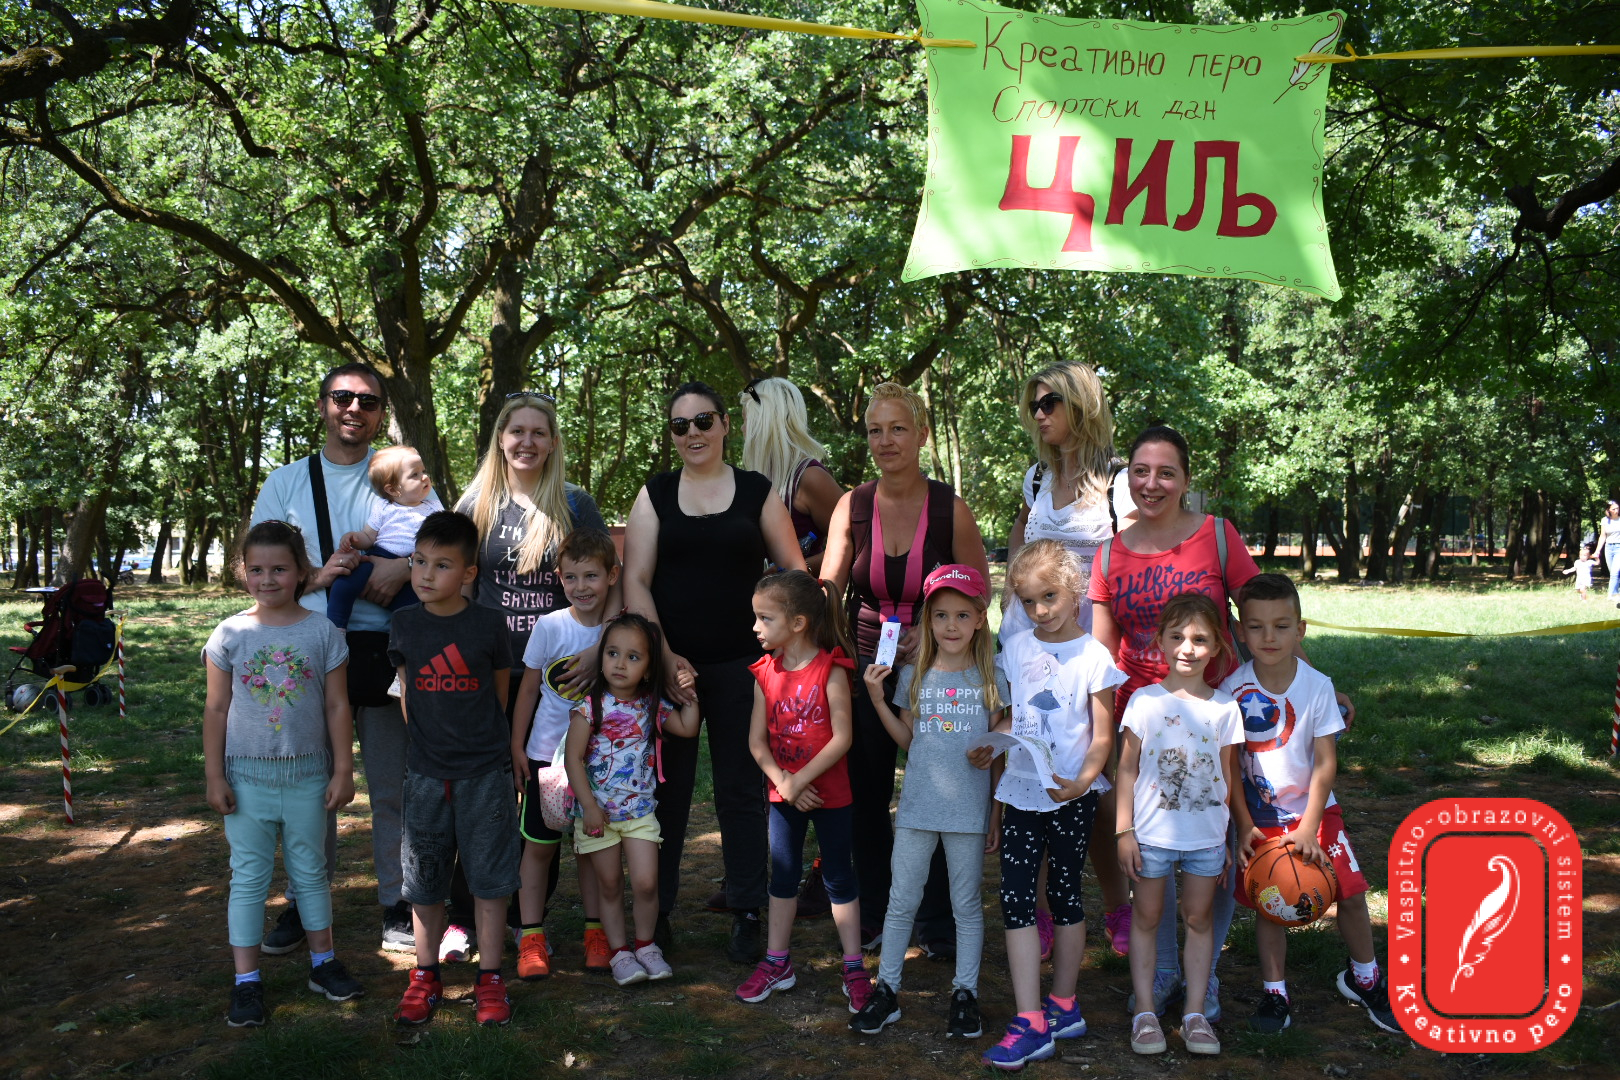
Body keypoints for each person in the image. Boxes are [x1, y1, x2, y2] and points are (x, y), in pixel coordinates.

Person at [622, 381, 805, 961]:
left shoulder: (756, 492)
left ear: (726, 425)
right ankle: (657, 912)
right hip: (669, 667)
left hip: (744, 667)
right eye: (680, 426)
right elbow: (635, 580)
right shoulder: (655, 494)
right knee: (665, 791)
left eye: (704, 421)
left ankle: (747, 909)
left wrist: (781, 638)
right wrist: (664, 656)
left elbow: (794, 571)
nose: (693, 433)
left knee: (741, 790)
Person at [1086, 424, 1261, 1019]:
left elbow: (1262, 617)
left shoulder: (1217, 536)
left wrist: (1308, 684)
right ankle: (1162, 972)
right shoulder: (1109, 554)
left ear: (1186, 479)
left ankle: (1204, 978)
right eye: (1140, 471)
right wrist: (1097, 732)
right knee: (1151, 850)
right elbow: (1101, 656)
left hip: (1216, 714)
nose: (1152, 483)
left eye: (1166, 472)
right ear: (1127, 478)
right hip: (1144, 721)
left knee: (1216, 839)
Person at [250, 362, 415, 955]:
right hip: (308, 654)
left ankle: (399, 901)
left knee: (393, 787)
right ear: (323, 404)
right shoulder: (286, 482)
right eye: (342, 397)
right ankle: (303, 901)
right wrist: (317, 577)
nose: (354, 409)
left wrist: (404, 567)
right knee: (308, 789)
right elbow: (253, 568)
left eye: (368, 401)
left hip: (390, 653)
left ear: (381, 413)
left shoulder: (402, 474)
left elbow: (445, 545)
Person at [821, 381, 989, 955]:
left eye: (898, 428)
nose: (886, 440)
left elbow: (980, 591)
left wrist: (935, 631)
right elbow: (829, 585)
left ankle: (939, 922)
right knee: (866, 793)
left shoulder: (948, 508)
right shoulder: (853, 505)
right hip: (866, 667)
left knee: (939, 789)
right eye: (876, 430)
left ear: (922, 435)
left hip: (938, 671)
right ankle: (875, 912)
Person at [456, 392, 610, 967]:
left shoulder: (574, 503)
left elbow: (607, 575)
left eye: (538, 432)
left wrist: (600, 650)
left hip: (563, 677)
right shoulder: (476, 502)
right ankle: (467, 915)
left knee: (555, 796)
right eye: (516, 431)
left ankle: (534, 925)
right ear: (500, 439)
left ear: (552, 442)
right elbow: (460, 582)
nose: (526, 441)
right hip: (491, 673)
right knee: (485, 796)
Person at [973, 540, 1126, 1071]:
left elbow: (1102, 737)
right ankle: (1030, 1019)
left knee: (1064, 894)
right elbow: (1013, 715)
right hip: (1021, 790)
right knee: (1016, 897)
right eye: (1029, 601)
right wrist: (991, 741)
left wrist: (1083, 782)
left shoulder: (1094, 657)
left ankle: (1063, 1004)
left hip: (1073, 797)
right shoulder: (1015, 648)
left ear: (1076, 590)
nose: (1040, 610)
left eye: (1050, 597)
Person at [203, 521, 363, 1027]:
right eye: (257, 569)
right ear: (242, 572)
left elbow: (337, 705)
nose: (267, 579)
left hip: (309, 777)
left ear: (302, 572)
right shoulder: (229, 634)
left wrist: (343, 768)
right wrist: (214, 776)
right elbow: (216, 709)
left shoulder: (322, 632)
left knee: (310, 873)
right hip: (245, 781)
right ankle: (246, 981)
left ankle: (323, 963)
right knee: (248, 878)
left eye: (279, 569)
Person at [1222, 574, 1396, 1035]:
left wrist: (1309, 827)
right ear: (1240, 632)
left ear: (1300, 630)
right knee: (1269, 903)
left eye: (1281, 626)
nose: (1269, 637)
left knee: (1351, 892)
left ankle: (1365, 978)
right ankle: (1274, 993)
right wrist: (1243, 823)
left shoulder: (1318, 686)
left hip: (1315, 813)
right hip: (1260, 819)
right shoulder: (1231, 690)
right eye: (1256, 627)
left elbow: (1325, 762)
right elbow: (1230, 767)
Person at [1005, 361, 1131, 961]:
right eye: (1034, 404)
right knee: (1030, 775)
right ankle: (1041, 912)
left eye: (1050, 401)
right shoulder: (1035, 478)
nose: (1039, 414)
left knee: (1094, 784)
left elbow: (1130, 561)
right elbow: (1020, 544)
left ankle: (1117, 904)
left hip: (1090, 648)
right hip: (1030, 643)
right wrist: (1011, 606)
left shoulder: (1118, 481)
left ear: (1082, 404)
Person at [851, 564, 1006, 1041]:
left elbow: (1000, 746)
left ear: (979, 619)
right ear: (927, 621)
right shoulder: (915, 674)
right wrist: (877, 698)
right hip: (918, 807)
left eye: (962, 615)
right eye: (941, 615)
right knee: (901, 900)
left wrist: (995, 810)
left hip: (968, 811)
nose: (951, 626)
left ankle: (966, 993)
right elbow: (908, 741)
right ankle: (887, 990)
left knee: (966, 904)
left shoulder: (991, 676)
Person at [387, 512, 519, 1028]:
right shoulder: (405, 624)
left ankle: (490, 979)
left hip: (485, 773)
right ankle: (425, 976)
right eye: (419, 561)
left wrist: (483, 747)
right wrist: (430, 747)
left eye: (442, 565)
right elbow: (408, 695)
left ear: (468, 573)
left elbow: (498, 693)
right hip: (425, 774)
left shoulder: (488, 623)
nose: (425, 574)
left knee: (489, 880)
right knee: (424, 881)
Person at [1116, 594, 1244, 1057]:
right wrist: (1124, 831)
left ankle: (1194, 1013)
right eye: (1177, 637)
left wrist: (1224, 837)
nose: (1188, 648)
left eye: (1200, 639)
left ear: (1217, 647)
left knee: (1198, 919)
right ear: (1161, 642)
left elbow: (1227, 776)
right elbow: (1126, 770)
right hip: (1150, 837)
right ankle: (1145, 1011)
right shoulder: (1144, 702)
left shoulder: (1226, 708)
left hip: (1205, 840)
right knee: (1147, 918)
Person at [735, 572, 864, 1008]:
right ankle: (777, 963)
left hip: (830, 796)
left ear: (797, 623)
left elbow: (842, 738)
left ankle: (854, 967)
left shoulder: (832, 670)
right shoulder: (764, 673)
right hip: (784, 794)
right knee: (784, 877)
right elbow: (757, 743)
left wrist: (797, 781)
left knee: (839, 877)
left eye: (765, 618)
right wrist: (785, 784)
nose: (755, 626)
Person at [565, 613, 699, 987]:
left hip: (640, 812)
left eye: (633, 657)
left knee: (645, 882)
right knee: (609, 885)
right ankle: (620, 952)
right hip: (598, 815)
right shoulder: (589, 707)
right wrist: (590, 807)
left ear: (648, 668)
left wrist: (689, 691)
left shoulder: (650, 706)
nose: (620, 664)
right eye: (612, 653)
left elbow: (688, 727)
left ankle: (646, 945)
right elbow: (572, 759)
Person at [508, 528, 619, 980]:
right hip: (545, 760)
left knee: (592, 850)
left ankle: (596, 935)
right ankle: (531, 937)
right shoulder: (549, 626)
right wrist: (517, 746)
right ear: (559, 578)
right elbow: (528, 689)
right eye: (571, 577)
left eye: (591, 576)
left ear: (612, 576)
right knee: (538, 848)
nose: (581, 586)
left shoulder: (619, 632)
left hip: (599, 764)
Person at [327, 445, 440, 630]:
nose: (424, 477)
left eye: (423, 471)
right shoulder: (384, 507)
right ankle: (335, 629)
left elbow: (442, 542)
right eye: (415, 474)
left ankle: (411, 642)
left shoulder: (434, 508)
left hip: (414, 567)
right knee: (342, 584)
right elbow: (369, 536)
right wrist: (354, 538)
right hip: (378, 558)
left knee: (416, 611)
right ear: (393, 489)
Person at [740, 376, 845, 574]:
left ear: (763, 422)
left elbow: (856, 543)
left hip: (798, 593)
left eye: (746, 420)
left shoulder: (809, 477)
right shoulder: (754, 480)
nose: (742, 429)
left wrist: (797, 570)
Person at [1602, 502, 1620, 603]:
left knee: (1614, 572)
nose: (1616, 510)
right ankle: (1617, 593)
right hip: (1608, 548)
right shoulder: (1605, 520)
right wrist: (1597, 551)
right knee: (1613, 573)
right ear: (1608, 510)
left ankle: (1611, 594)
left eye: (1617, 508)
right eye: (1614, 509)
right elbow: (1603, 536)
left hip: (1619, 547)